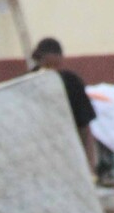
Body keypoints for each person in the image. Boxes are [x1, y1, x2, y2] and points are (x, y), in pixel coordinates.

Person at [31, 37, 99, 174]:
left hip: (68, 149)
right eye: (47, 67)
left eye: (56, 66)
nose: (52, 72)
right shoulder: (29, 83)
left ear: (61, 61)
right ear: (39, 61)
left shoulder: (71, 83)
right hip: (38, 151)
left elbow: (84, 127)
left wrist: (89, 166)